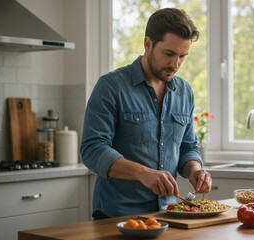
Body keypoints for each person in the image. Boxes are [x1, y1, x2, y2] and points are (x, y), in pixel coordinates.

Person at [80, 8, 212, 219]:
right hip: (117, 216)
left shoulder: (184, 91)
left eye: (182, 56)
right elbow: (92, 149)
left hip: (168, 215)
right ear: (148, 44)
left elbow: (187, 147)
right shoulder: (111, 86)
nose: (175, 64)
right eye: (169, 54)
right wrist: (143, 174)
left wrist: (195, 170)